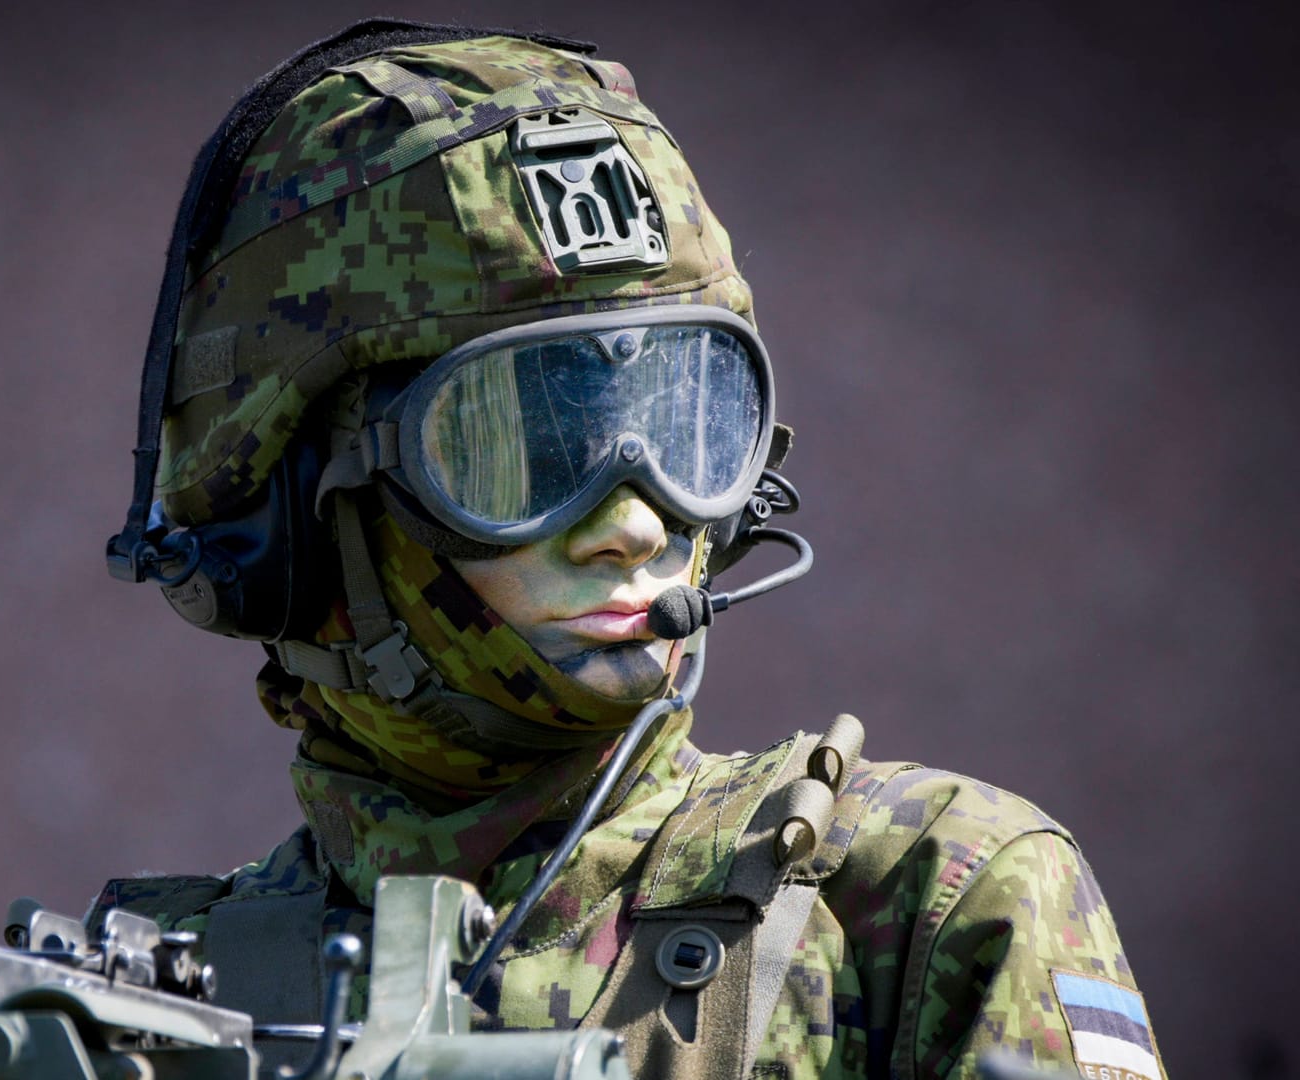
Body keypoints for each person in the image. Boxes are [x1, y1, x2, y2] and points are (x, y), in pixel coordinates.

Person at [89, 19, 1164, 1080]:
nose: (640, 525)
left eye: (687, 424)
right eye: (526, 446)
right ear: (290, 517)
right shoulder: (133, 1008)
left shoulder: (922, 903)